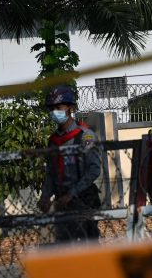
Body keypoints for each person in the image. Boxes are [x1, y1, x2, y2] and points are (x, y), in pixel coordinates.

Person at [37, 85, 103, 242]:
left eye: (58, 107)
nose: (55, 112)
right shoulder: (53, 141)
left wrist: (71, 193)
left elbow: (94, 169)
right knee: (64, 248)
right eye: (51, 108)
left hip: (84, 200)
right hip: (62, 203)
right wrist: (45, 196)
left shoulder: (85, 136)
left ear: (71, 108)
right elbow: (51, 172)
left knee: (88, 248)